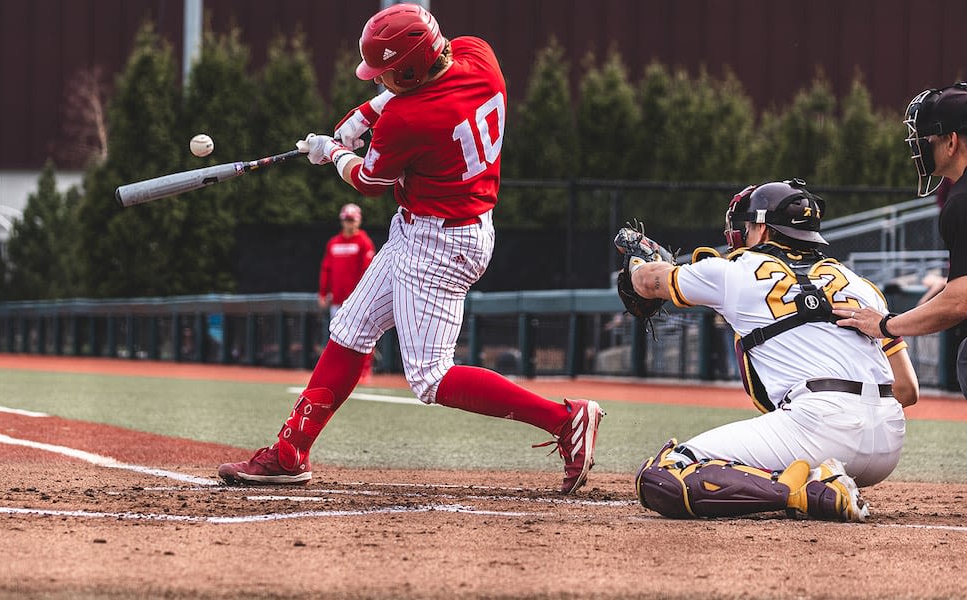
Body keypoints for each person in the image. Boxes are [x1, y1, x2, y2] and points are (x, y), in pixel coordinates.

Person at [217, 3, 604, 493]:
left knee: (430, 378)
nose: (378, 84)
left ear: (410, 69)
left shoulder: (408, 118)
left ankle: (565, 419)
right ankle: (291, 451)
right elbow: (413, 93)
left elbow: (367, 180)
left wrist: (332, 151)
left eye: (385, 76)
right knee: (351, 330)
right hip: (442, 224)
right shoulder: (478, 54)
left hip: (438, 243)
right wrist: (362, 115)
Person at [621, 179, 918, 522]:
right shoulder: (861, 285)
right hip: (888, 442)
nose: (744, 233)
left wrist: (639, 263)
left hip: (818, 425)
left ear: (762, 228)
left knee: (662, 476)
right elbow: (908, 390)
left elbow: (646, 283)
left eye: (748, 226)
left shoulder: (734, 272)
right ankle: (820, 480)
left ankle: (804, 492)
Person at [834, 83, 967, 394]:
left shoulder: (961, 202)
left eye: (928, 139)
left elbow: (960, 301)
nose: (920, 147)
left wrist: (885, 325)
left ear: (952, 142)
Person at [318, 203, 376, 383]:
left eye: (352, 220)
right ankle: (338, 371)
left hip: (357, 299)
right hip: (337, 298)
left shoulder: (364, 242)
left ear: (358, 221)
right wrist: (322, 293)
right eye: (347, 220)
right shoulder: (333, 243)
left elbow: (368, 270)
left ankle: (364, 370)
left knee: (362, 335)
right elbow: (326, 268)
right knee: (337, 336)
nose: (349, 224)